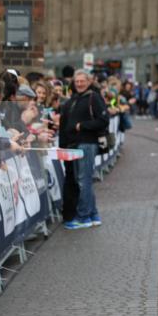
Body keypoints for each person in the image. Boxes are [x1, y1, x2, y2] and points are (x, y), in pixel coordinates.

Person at [58, 70, 108, 229]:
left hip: (87, 143)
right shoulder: (75, 98)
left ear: (89, 81)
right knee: (84, 180)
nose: (79, 84)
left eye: (82, 81)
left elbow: (103, 120)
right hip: (76, 145)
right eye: (77, 81)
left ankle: (83, 216)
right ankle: (93, 214)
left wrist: (82, 126)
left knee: (83, 181)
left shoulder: (94, 97)